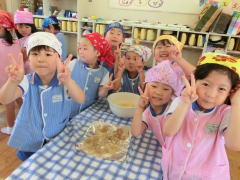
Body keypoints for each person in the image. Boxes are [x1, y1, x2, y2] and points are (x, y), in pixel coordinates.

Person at [0, 32, 85, 161]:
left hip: (56, 139)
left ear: (59, 57)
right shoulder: (26, 81)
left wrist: (68, 81)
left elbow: (80, 99)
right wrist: (12, 81)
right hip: (30, 141)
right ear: (28, 58)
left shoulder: (64, 80)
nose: (41, 59)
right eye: (35, 54)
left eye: (48, 54)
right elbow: (4, 99)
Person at [162, 53, 240, 179]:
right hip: (174, 169)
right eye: (206, 84)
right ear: (194, 80)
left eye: (221, 89)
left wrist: (237, 104)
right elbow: (168, 131)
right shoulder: (180, 101)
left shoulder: (226, 112)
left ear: (230, 92)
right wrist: (185, 103)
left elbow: (235, 145)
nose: (211, 94)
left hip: (206, 175)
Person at [131, 60, 183, 147]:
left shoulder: (173, 109)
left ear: (172, 94)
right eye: (154, 86)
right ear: (146, 87)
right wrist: (140, 107)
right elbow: (135, 132)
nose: (158, 92)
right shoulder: (148, 113)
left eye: (166, 89)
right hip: (167, 152)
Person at [69, 32, 116, 116]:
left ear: (97, 53)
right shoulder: (73, 64)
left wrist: (105, 89)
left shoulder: (104, 72)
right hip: (69, 109)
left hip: (88, 112)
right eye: (79, 48)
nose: (81, 51)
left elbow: (100, 94)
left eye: (85, 48)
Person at [0, 10, 21, 135]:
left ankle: (11, 127)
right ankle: (26, 119)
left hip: (4, 80)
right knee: (19, 99)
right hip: (17, 78)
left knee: (8, 104)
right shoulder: (15, 42)